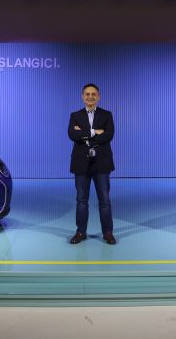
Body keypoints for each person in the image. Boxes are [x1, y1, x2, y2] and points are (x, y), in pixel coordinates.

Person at [67, 83, 116, 245]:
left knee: (104, 200)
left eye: (93, 94)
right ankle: (81, 232)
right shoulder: (75, 115)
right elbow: (72, 135)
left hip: (102, 163)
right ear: (82, 97)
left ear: (98, 97)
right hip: (81, 163)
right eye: (87, 94)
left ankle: (108, 233)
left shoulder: (107, 115)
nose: (90, 97)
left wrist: (83, 134)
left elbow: (108, 135)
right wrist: (95, 132)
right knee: (81, 200)